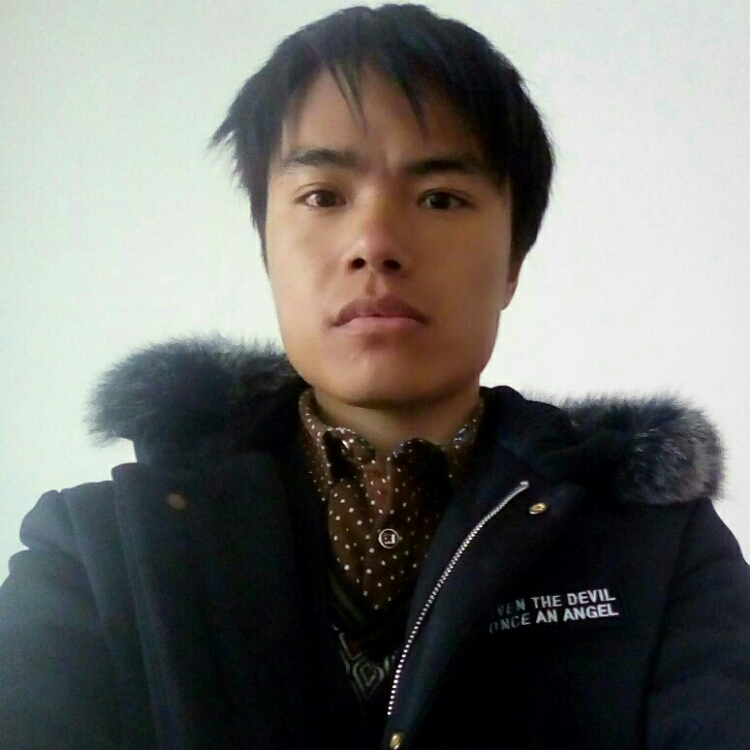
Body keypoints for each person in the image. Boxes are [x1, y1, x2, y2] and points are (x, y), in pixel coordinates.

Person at [1, 4, 749, 748]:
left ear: (513, 261)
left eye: (441, 198)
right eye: (323, 196)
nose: (375, 242)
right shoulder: (95, 553)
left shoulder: (660, 552)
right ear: (267, 246)